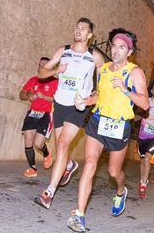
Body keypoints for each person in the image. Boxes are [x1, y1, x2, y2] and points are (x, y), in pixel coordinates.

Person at [67, 28, 149, 233]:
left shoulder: (135, 72)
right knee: (90, 165)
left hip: (119, 126)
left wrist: (125, 89)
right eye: (114, 46)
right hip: (97, 122)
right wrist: (84, 102)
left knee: (114, 172)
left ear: (129, 52)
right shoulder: (102, 69)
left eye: (122, 47)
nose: (116, 50)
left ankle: (121, 191)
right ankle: (79, 214)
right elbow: (98, 96)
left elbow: (145, 104)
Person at [34, 18, 103, 208]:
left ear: (90, 35)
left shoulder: (95, 57)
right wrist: (56, 71)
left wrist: (90, 99)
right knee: (60, 148)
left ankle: (49, 193)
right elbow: (41, 74)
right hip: (60, 103)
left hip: (78, 106)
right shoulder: (62, 51)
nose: (78, 30)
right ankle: (70, 165)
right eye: (76, 27)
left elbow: (103, 86)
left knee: (63, 144)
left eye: (83, 29)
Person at [19, 57, 59, 177]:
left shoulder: (55, 82)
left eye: (45, 66)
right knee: (28, 139)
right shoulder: (33, 80)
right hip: (32, 113)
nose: (42, 68)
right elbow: (21, 95)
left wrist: (44, 97)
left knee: (38, 143)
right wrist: (28, 95)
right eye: (40, 65)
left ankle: (46, 154)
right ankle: (32, 168)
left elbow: (58, 100)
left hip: (46, 114)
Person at [136, 80, 154, 198]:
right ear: (151, 90)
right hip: (143, 135)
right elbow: (137, 114)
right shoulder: (145, 101)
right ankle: (142, 180)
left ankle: (144, 184)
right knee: (142, 160)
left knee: (147, 158)